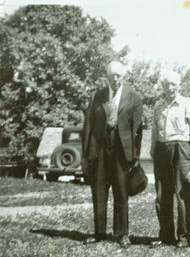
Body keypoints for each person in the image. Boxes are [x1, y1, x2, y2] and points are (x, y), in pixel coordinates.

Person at [82, 61, 143, 248]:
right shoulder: (97, 96)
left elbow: (138, 129)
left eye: (118, 75)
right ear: (107, 76)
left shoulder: (134, 96)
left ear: (123, 76)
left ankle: (122, 233)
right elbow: (88, 126)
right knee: (99, 190)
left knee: (121, 190)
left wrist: (135, 156)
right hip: (99, 149)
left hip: (121, 150)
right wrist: (86, 153)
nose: (115, 79)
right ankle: (99, 232)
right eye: (111, 76)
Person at [150, 71, 190, 248]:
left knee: (182, 194)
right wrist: (154, 152)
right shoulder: (158, 106)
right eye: (166, 85)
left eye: (173, 84)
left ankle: (184, 236)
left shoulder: (188, 104)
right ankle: (166, 235)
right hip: (162, 150)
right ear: (162, 87)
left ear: (179, 85)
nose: (169, 88)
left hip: (182, 149)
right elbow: (155, 132)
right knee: (162, 194)